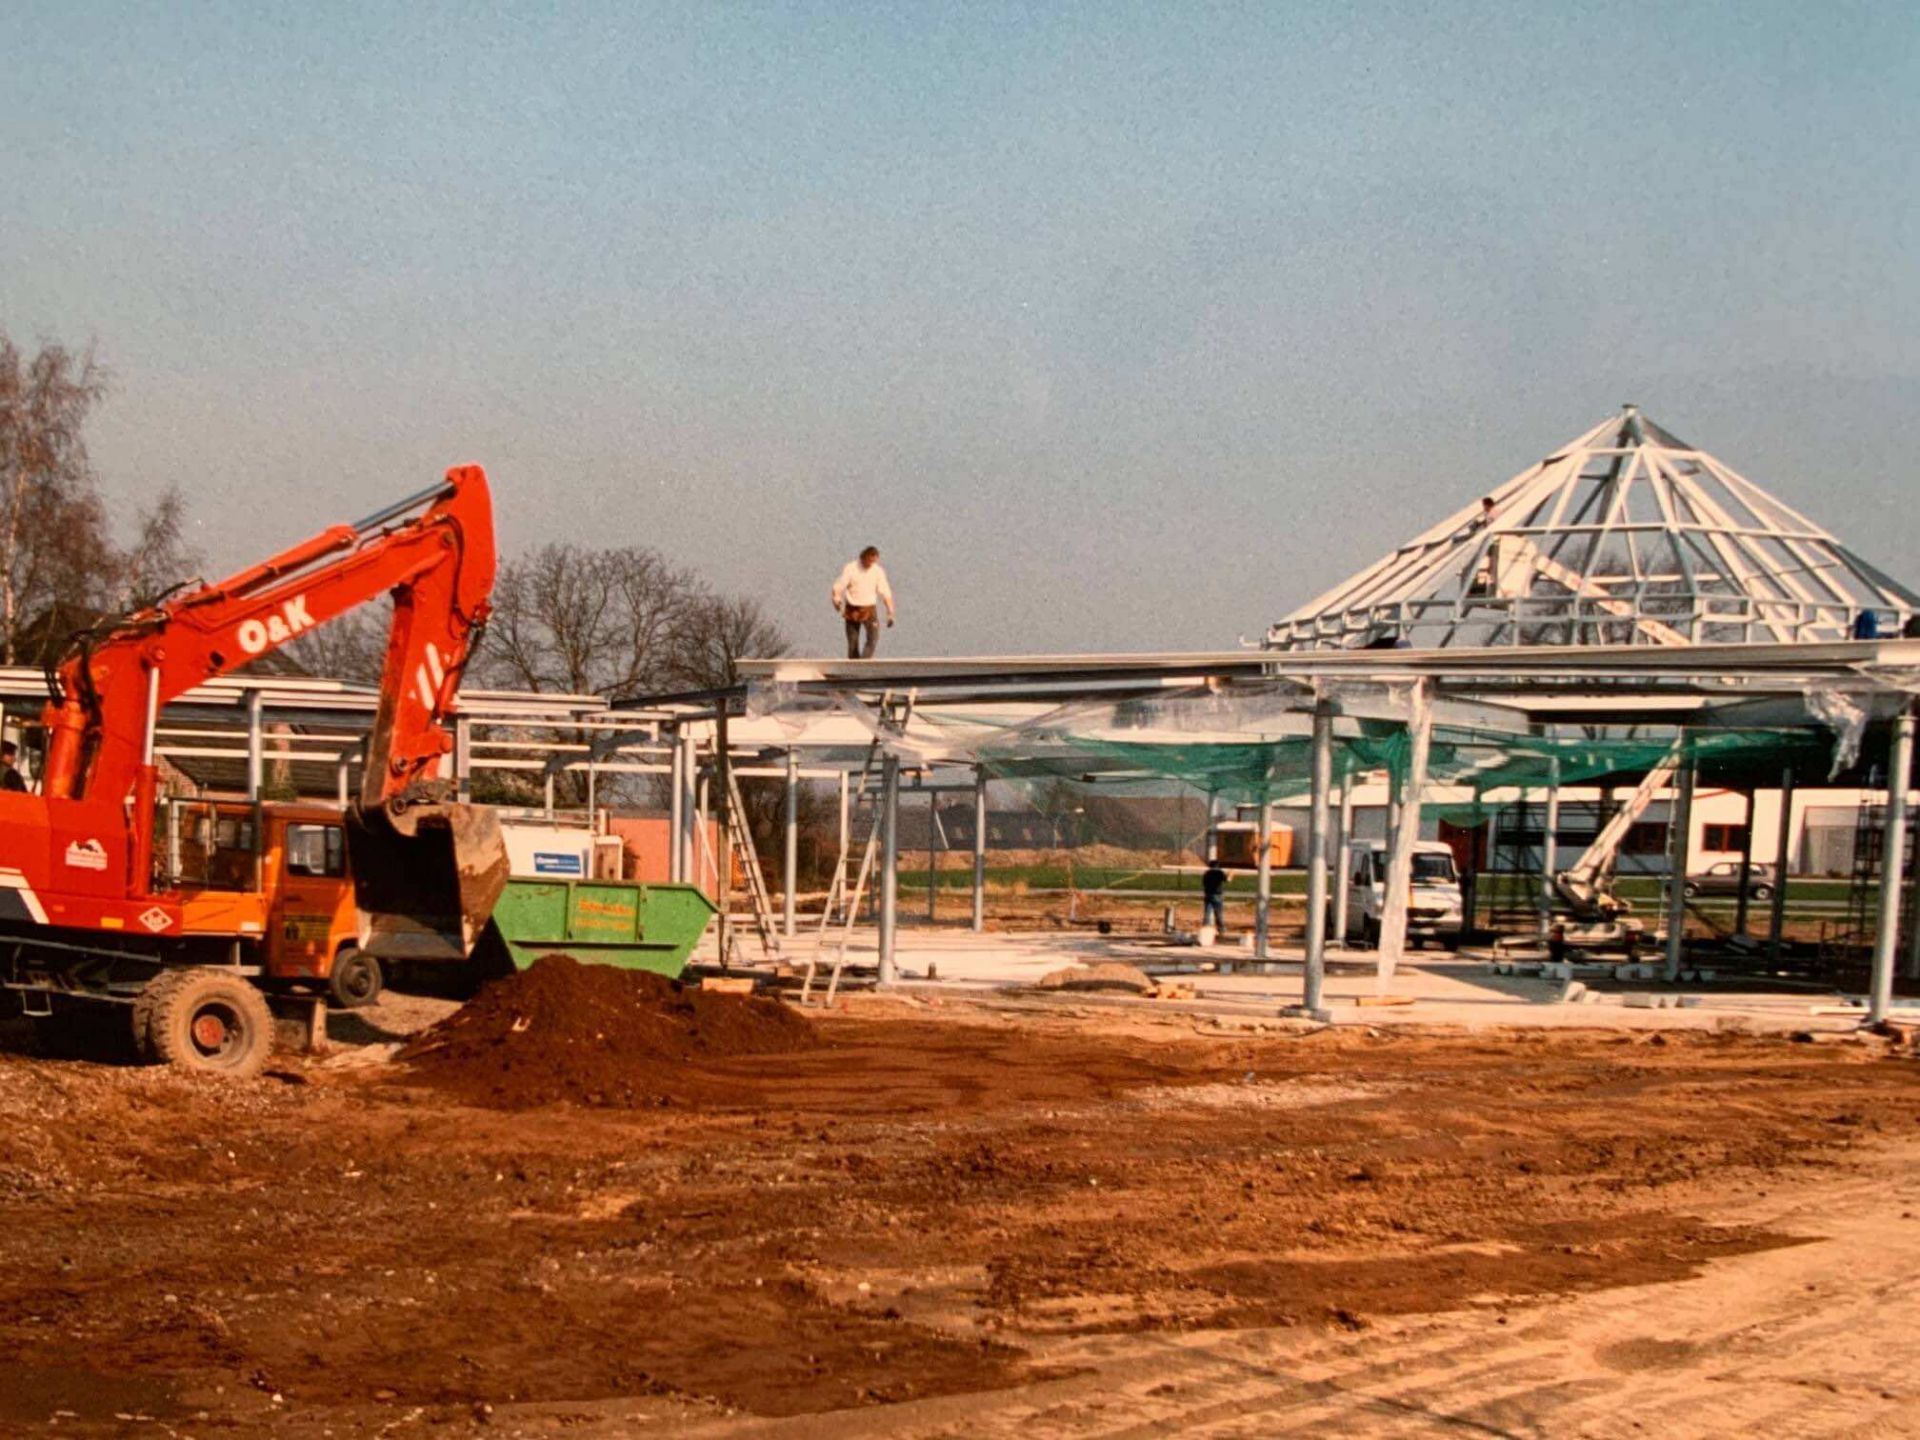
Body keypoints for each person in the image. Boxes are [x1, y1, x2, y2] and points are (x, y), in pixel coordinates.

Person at [831, 545, 896, 660]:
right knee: (853, 643)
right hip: (853, 608)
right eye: (869, 561)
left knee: (873, 638)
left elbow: (885, 592)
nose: (870, 564)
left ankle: (864, 662)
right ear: (864, 557)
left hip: (869, 609)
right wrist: (836, 599)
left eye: (873, 561)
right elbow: (838, 587)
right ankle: (853, 667)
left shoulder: (877, 571)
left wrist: (890, 612)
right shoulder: (851, 568)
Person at [1201, 857, 1228, 933]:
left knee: (1207, 913)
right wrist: (1231, 873)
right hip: (1217, 895)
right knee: (1218, 913)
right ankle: (1221, 929)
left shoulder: (1207, 873)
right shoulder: (1219, 873)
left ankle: (1205, 928)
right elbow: (1227, 880)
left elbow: (1204, 883)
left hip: (1208, 895)